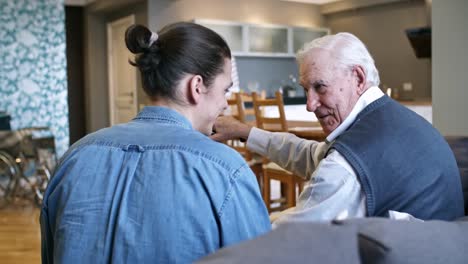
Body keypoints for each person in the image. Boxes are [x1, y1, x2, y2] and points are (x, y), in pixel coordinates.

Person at [40, 22, 270, 263]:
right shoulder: (224, 168)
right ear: (196, 86)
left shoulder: (73, 157)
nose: (225, 104)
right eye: (225, 90)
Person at [211, 32, 464, 225]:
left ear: (359, 78)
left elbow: (289, 241)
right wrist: (244, 132)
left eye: (320, 87)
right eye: (305, 89)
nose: (310, 105)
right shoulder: (390, 119)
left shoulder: (346, 164)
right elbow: (315, 156)